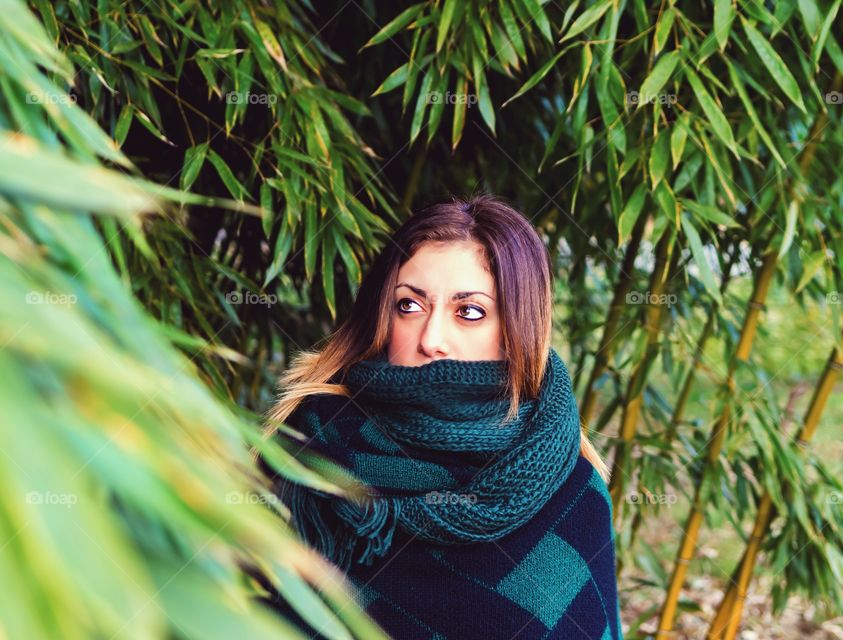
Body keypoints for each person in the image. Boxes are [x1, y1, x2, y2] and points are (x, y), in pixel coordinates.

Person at [255, 193, 622, 639]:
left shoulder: (570, 491)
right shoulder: (307, 451)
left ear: (517, 331)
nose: (431, 338)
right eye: (409, 305)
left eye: (469, 312)